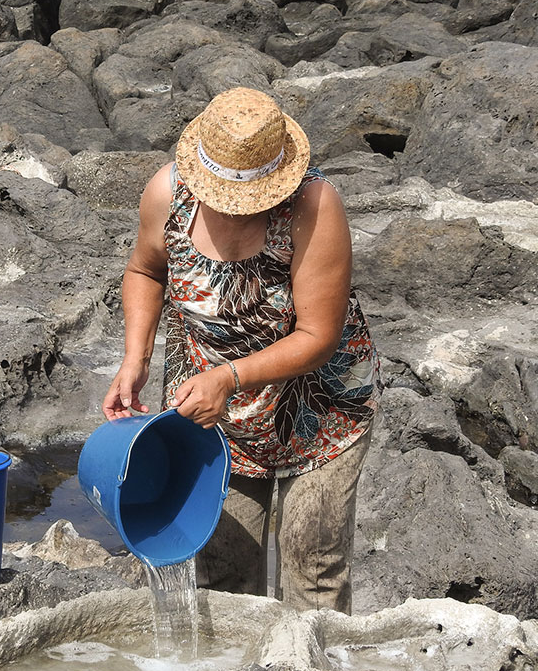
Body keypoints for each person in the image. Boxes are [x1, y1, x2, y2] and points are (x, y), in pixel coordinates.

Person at [102, 87, 381, 614]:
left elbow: (318, 335)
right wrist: (134, 359)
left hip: (317, 405)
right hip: (210, 410)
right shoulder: (167, 193)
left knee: (313, 560)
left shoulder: (314, 207)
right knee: (223, 565)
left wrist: (228, 378)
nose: (235, 210)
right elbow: (145, 270)